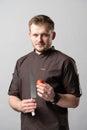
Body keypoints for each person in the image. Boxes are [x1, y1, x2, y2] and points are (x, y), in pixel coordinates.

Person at [8, 14, 81, 130]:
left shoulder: (65, 61)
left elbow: (75, 101)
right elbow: (12, 97)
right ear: (29, 35)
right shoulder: (21, 62)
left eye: (45, 35)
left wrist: (54, 97)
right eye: (35, 35)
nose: (39, 40)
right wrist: (19, 105)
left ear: (53, 35)